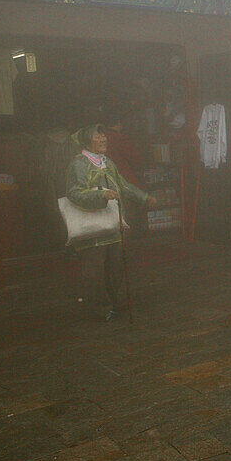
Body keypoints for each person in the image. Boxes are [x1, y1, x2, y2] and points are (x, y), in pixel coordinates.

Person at [65, 124, 154, 321]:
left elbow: (122, 184)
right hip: (92, 231)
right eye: (98, 136)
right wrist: (101, 195)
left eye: (103, 135)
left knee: (115, 268)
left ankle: (113, 303)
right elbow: (73, 193)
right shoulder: (79, 164)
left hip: (113, 226)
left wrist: (143, 197)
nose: (104, 139)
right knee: (94, 273)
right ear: (87, 141)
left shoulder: (107, 162)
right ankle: (99, 309)